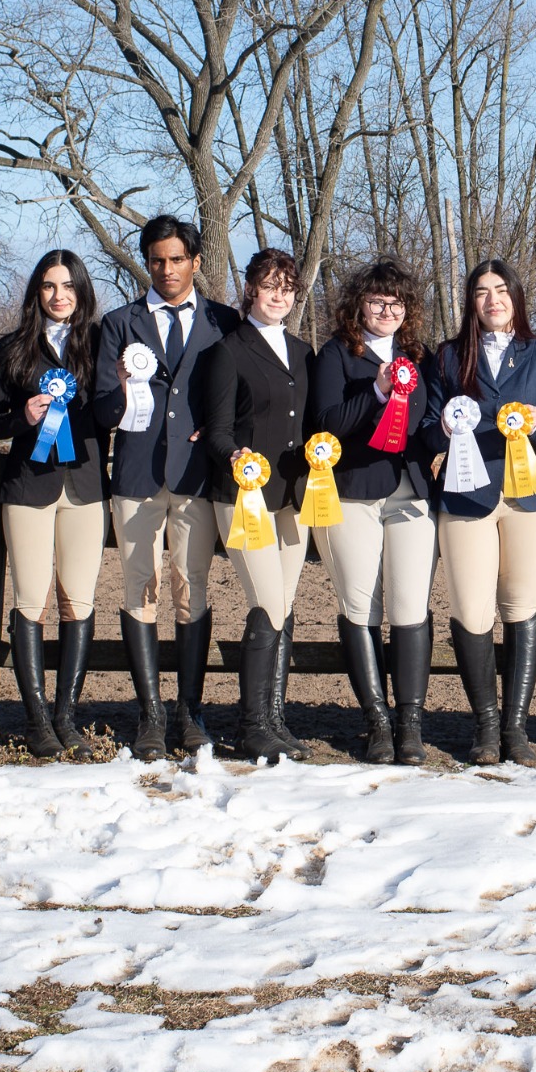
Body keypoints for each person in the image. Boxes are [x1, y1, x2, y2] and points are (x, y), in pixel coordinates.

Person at [92, 214, 241, 761]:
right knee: (139, 588)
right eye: (157, 260)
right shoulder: (117, 323)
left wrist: (221, 432)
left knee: (190, 588)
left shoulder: (224, 321)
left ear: (196, 263)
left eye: (177, 259)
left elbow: (236, 397)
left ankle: (190, 710)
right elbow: (103, 404)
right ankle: (149, 712)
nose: (167, 269)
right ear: (146, 262)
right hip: (135, 474)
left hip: (197, 476)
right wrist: (123, 391)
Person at [424, 259, 536, 766]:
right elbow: (426, 422)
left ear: (515, 296)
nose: (493, 300)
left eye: (501, 291)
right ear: (471, 301)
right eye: (482, 292)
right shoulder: (447, 357)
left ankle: (514, 727)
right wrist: (442, 430)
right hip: (468, 497)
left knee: (522, 605)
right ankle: (484, 725)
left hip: (530, 499)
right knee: (471, 610)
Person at [0, 250, 107, 760]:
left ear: (81, 292)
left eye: (68, 286)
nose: (59, 296)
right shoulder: (13, 347)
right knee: (31, 600)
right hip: (28, 488)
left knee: (78, 599)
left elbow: (114, 408)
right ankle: (35, 721)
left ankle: (66, 717)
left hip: (85, 489)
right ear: (37, 292)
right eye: (50, 286)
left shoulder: (100, 343)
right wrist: (21, 419)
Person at [310, 259, 437, 765]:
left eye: (397, 303)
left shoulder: (418, 356)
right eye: (378, 301)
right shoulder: (336, 355)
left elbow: (422, 423)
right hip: (351, 493)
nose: (387, 311)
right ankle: (376, 723)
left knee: (411, 607)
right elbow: (325, 423)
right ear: (358, 305)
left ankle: (410, 723)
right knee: (361, 607)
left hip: (409, 494)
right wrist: (378, 390)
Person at [202, 248, 315, 763]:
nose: (278, 296)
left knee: (284, 607)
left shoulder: (301, 351)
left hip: (292, 499)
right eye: (270, 285)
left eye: (287, 288)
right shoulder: (228, 351)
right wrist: (234, 455)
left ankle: (274, 717)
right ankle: (250, 725)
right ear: (250, 288)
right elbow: (218, 431)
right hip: (244, 497)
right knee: (267, 602)